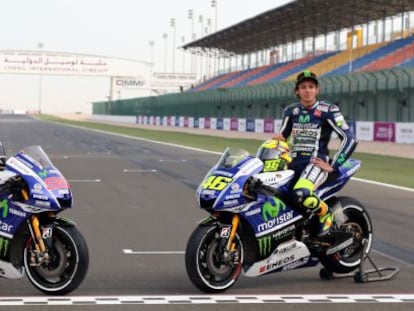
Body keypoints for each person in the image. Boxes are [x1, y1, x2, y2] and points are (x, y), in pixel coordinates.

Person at [273, 70, 358, 237]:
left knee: (301, 194)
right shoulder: (291, 111)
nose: (307, 90)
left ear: (317, 90)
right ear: (297, 91)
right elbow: (281, 138)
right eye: (303, 87)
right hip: (292, 163)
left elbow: (350, 138)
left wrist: (333, 165)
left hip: (315, 164)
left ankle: (326, 215)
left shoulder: (328, 109)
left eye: (311, 86)